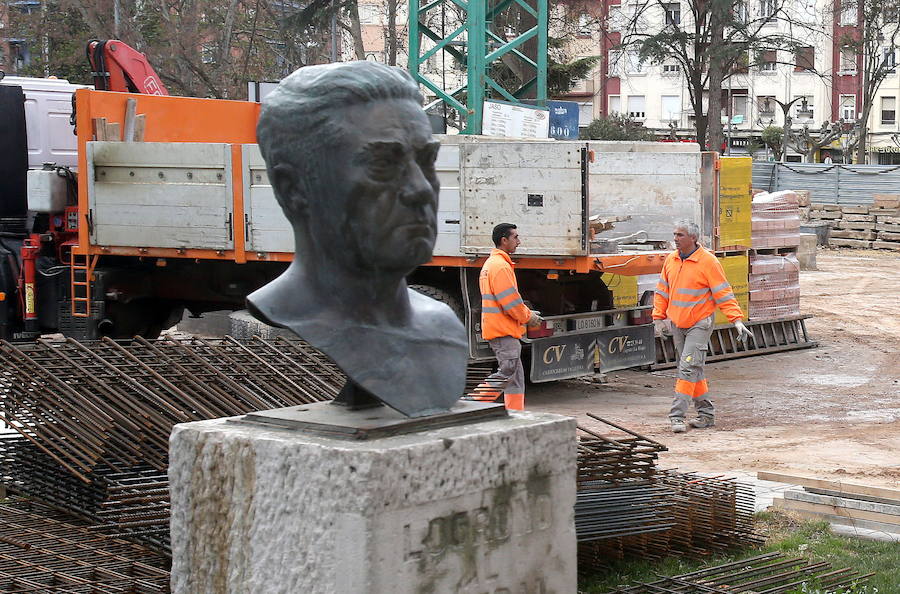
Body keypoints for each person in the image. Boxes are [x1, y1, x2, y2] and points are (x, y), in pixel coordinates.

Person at [247, 61, 468, 418]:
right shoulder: (298, 317)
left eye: (426, 161)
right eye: (383, 165)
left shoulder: (443, 326)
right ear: (294, 189)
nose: (422, 189)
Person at [652, 221, 753, 433]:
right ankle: (706, 415)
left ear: (693, 238)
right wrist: (658, 318)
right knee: (693, 369)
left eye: (680, 235)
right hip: (678, 323)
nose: (676, 238)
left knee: (687, 367)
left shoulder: (708, 262)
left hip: (699, 323)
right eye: (674, 234)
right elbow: (662, 291)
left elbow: (723, 293)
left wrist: (736, 321)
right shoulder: (671, 260)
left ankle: (676, 416)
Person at [471, 223, 541, 411]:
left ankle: (515, 413)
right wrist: (528, 317)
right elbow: (510, 302)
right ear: (504, 240)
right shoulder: (500, 266)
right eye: (515, 237)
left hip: (502, 330)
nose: (519, 242)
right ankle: (471, 406)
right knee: (508, 372)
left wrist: (526, 314)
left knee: (515, 377)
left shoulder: (493, 264)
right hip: (503, 331)